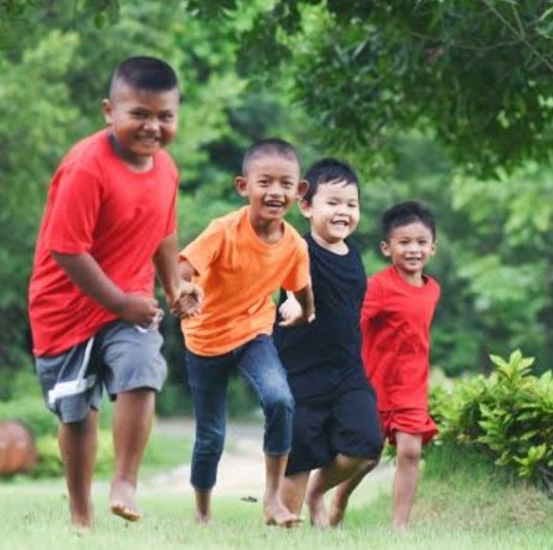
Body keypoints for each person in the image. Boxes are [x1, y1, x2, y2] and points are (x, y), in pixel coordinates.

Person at [27, 56, 200, 530]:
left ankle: (125, 481)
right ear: (109, 111)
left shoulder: (166, 169)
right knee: (77, 411)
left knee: (142, 372)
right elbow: (66, 250)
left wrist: (173, 285)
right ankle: (80, 514)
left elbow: (164, 231)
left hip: (130, 302)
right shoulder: (87, 166)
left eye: (165, 116)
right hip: (64, 308)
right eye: (139, 114)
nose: (152, 127)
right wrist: (120, 301)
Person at [178, 138, 315, 527]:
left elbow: (302, 286)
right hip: (204, 338)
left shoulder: (294, 244)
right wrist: (184, 290)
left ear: (299, 190)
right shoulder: (223, 230)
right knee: (211, 435)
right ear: (244, 186)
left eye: (286, 184)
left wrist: (306, 313)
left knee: (279, 399)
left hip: (255, 333)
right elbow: (183, 267)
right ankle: (202, 514)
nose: (275, 192)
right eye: (265, 182)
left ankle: (273, 500)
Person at [274, 159, 383, 528]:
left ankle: (317, 493)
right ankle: (284, 526)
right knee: (299, 454)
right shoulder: (298, 250)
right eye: (333, 202)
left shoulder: (353, 255)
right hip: (300, 375)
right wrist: (290, 301)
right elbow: (291, 284)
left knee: (367, 443)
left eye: (351, 204)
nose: (344, 212)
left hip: (348, 372)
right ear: (306, 206)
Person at [360, 201, 441, 530]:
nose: (413, 249)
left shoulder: (433, 289)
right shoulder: (377, 287)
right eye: (404, 242)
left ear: (432, 248)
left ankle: (400, 526)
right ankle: (335, 500)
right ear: (386, 247)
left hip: (411, 384)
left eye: (421, 242)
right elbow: (354, 325)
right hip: (374, 381)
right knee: (365, 456)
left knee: (410, 451)